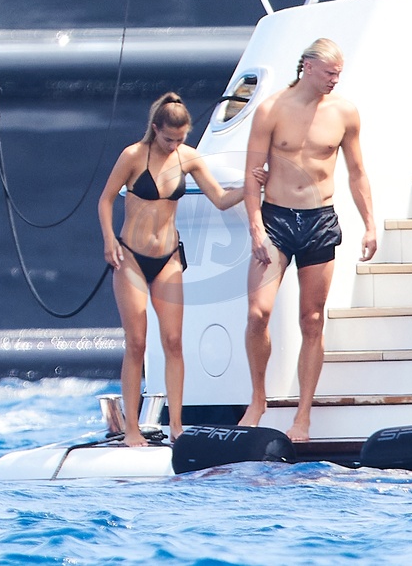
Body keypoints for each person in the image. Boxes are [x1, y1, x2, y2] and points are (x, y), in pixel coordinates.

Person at [98, 92, 265, 447]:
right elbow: (106, 199)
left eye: (180, 139)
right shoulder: (133, 155)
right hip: (131, 257)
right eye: (168, 139)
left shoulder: (188, 158)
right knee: (137, 342)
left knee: (174, 341)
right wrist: (109, 240)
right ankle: (131, 429)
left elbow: (220, 199)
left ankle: (176, 425)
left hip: (168, 257)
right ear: (155, 129)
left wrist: (250, 185)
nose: (174, 145)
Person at [238, 38, 377, 442]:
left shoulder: (344, 112)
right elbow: (251, 173)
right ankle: (258, 398)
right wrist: (255, 226)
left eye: (339, 74)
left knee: (312, 319)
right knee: (257, 313)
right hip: (277, 218)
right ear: (308, 67)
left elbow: (357, 171)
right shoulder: (272, 109)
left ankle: (303, 415)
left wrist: (370, 224)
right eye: (330, 73)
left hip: (319, 219)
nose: (335, 80)